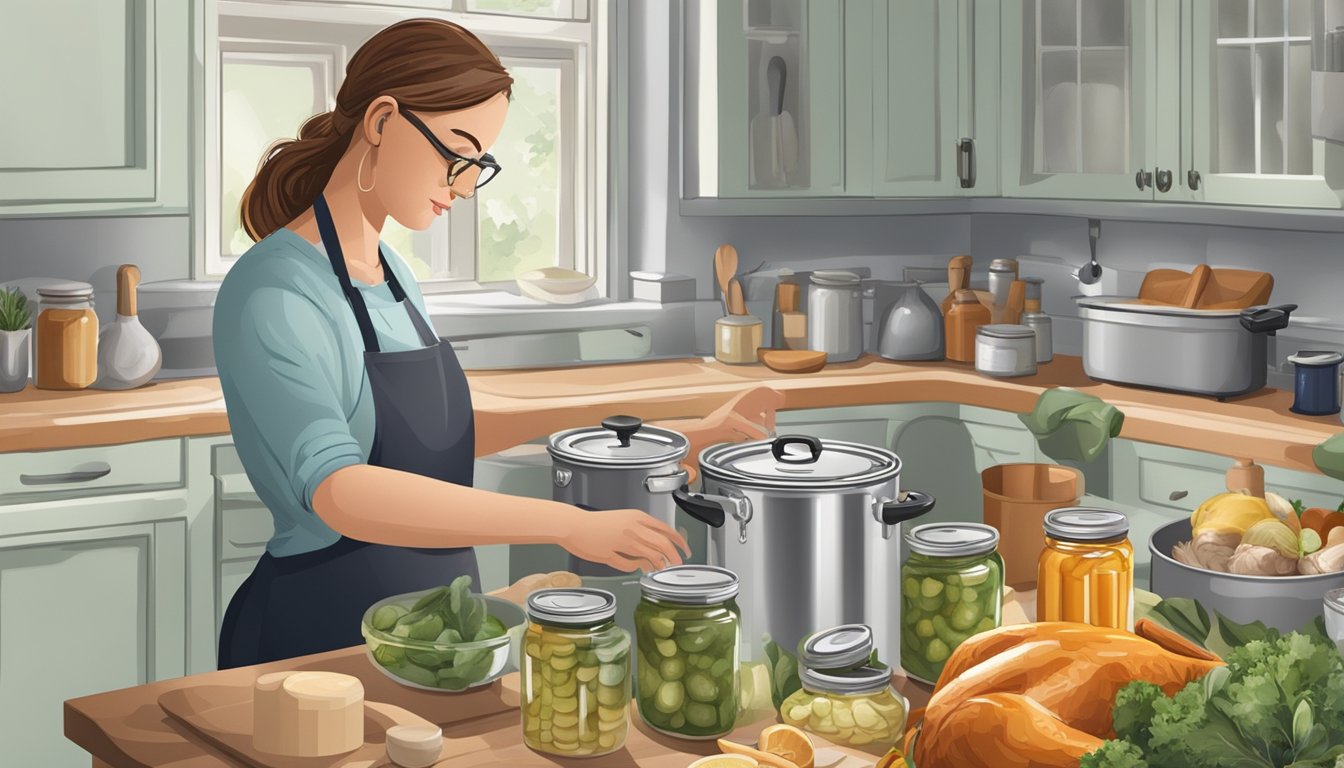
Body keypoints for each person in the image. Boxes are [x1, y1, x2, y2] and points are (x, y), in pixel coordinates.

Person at [212, 18, 780, 669]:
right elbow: (343, 492)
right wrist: (567, 523)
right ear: (381, 121)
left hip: (439, 637)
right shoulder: (274, 292)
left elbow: (444, 435)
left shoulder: (391, 274)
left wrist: (673, 437)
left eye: (476, 164)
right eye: (455, 153)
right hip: (323, 638)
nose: (461, 186)